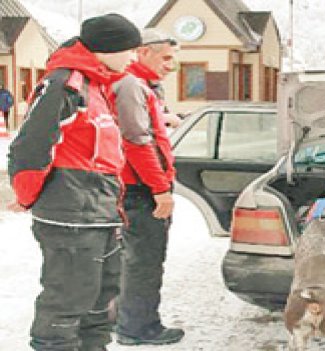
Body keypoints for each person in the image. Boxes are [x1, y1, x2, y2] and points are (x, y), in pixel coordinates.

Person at [6, 14, 140, 351]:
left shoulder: (96, 87)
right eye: (130, 49)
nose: (133, 57)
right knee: (66, 304)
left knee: (101, 305)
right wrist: (26, 195)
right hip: (72, 217)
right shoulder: (65, 84)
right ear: (106, 49)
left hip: (101, 215)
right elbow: (31, 145)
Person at [111, 28, 183, 346]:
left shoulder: (142, 86)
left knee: (130, 259)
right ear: (142, 52)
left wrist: (164, 118)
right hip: (139, 190)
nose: (171, 66)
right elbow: (137, 142)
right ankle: (139, 328)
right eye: (166, 58)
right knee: (145, 262)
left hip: (131, 187)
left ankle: (123, 320)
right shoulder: (131, 85)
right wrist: (160, 188)